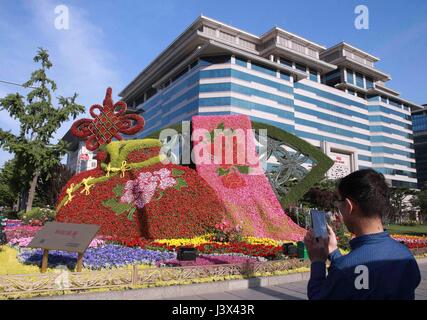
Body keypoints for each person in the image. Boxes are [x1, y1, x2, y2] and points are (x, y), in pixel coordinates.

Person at [304, 169, 421, 300]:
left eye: (339, 203)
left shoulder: (344, 269)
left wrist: (318, 261)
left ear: (349, 206)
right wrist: (334, 252)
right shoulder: (405, 255)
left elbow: (318, 296)